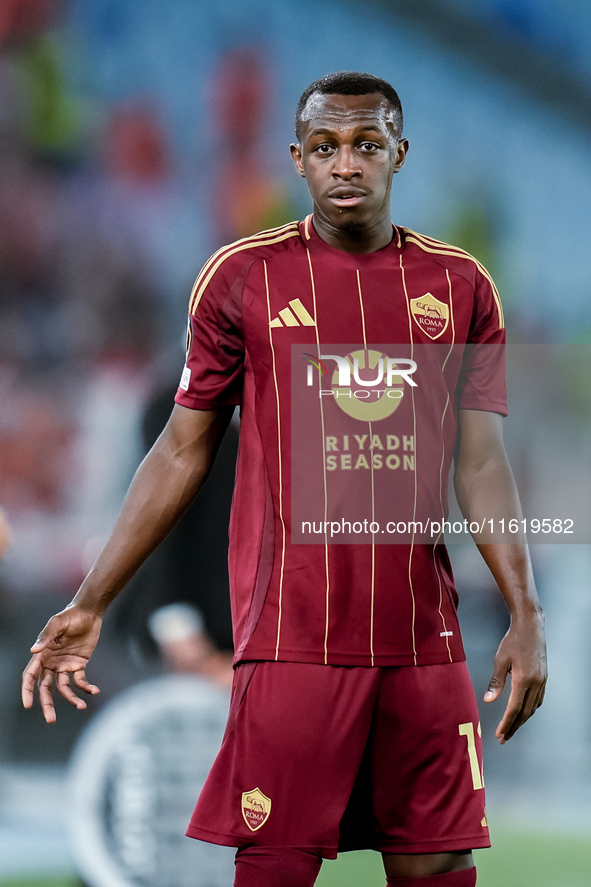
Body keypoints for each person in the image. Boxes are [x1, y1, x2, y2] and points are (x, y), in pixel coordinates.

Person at [22, 72, 547, 887]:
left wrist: (524, 610)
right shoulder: (242, 279)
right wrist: (91, 600)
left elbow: (479, 460)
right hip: (292, 640)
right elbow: (177, 449)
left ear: (397, 155)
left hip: (421, 639)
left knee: (439, 864)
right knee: (274, 866)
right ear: (298, 158)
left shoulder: (461, 286)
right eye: (327, 147)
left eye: (366, 145)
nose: (347, 164)